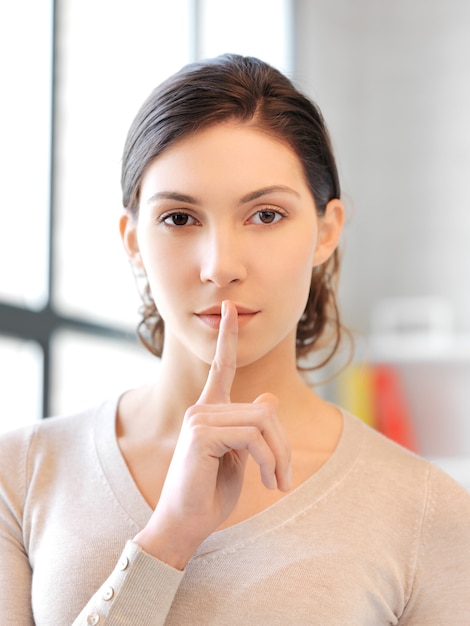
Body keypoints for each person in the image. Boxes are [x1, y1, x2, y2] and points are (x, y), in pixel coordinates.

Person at [1, 54, 469, 626]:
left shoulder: (429, 512)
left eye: (266, 215)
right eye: (179, 218)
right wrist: (167, 539)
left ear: (326, 231)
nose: (220, 266)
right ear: (132, 239)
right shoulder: (20, 475)